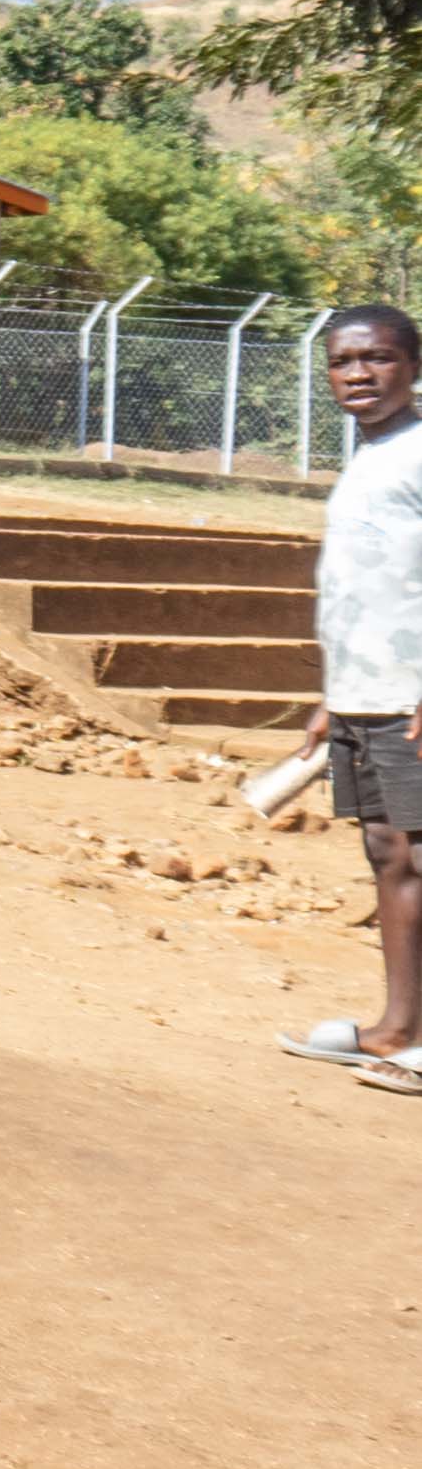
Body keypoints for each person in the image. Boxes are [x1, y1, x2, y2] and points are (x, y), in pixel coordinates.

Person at [288, 300, 422, 1084]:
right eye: (342, 361)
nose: (357, 374)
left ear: (411, 365)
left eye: (376, 358)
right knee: (386, 852)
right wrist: (332, 692)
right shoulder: (369, 456)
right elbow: (367, 589)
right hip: (364, 692)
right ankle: (396, 1026)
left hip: (410, 696)